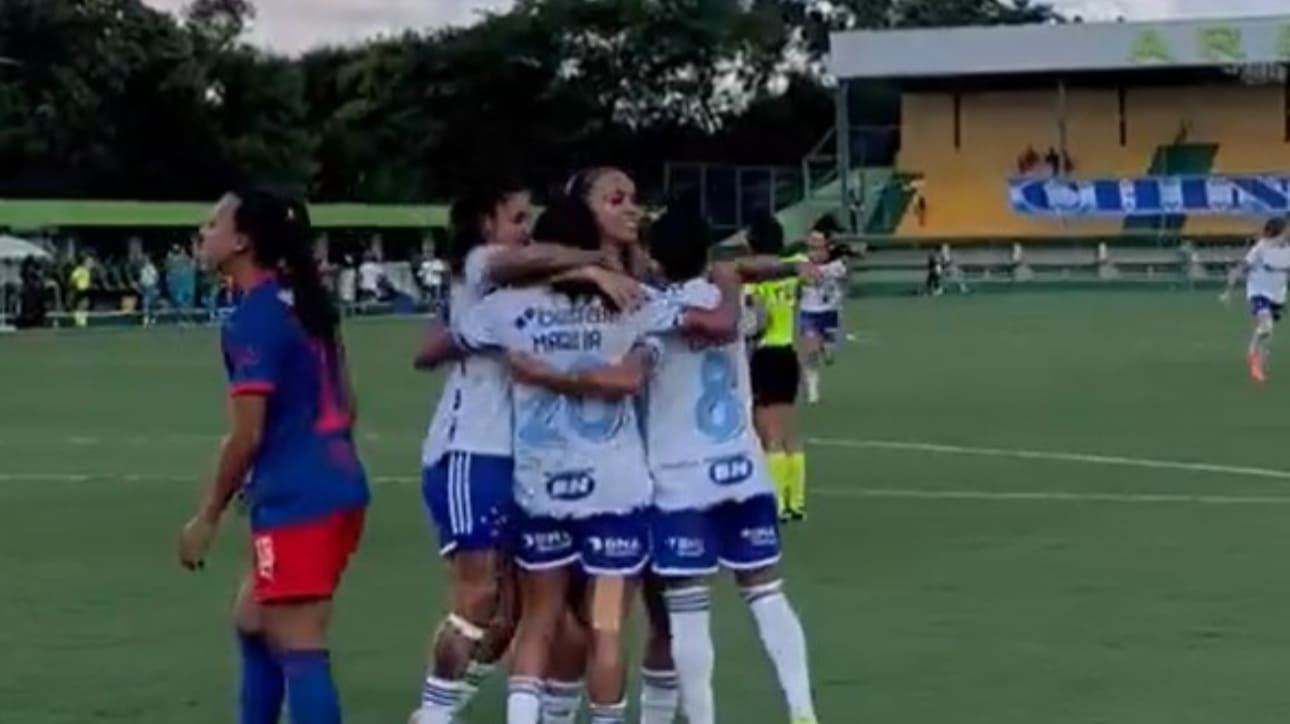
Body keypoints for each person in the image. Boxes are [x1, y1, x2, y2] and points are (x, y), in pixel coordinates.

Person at [410, 181, 638, 724]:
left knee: (521, 614)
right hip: (482, 452)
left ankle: (445, 710)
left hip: (535, 474)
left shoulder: (513, 298)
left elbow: (436, 346)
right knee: (491, 602)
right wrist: (594, 263)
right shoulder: (487, 263)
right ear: (488, 225)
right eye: (517, 218)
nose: (527, 231)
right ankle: (436, 714)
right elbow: (429, 351)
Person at [177, 189, 369, 724]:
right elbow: (347, 406)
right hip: (336, 484)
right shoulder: (305, 303)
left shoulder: (253, 319)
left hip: (300, 499)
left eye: (213, 222)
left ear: (242, 241)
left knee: (297, 639)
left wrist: (206, 517)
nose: (203, 229)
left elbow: (245, 437)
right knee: (253, 619)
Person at [639, 199, 820, 724]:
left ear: (655, 256)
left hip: (679, 476)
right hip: (742, 468)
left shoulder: (649, 309)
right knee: (766, 590)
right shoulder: (730, 296)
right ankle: (802, 709)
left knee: (689, 610)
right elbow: (746, 288)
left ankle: (702, 719)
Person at [744, 214, 809, 522]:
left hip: (766, 354)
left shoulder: (753, 279)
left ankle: (775, 504)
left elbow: (756, 321)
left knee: (767, 432)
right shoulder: (791, 270)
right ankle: (795, 501)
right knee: (789, 432)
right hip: (787, 352)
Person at [1222, 217, 1290, 382]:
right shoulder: (1260, 249)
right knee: (1265, 325)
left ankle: (1257, 359)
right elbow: (1239, 269)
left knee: (1268, 332)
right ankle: (1253, 356)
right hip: (1258, 292)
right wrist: (1228, 291)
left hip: (1278, 294)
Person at [798, 230, 847, 404]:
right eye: (812, 248)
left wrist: (839, 288)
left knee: (829, 357)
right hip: (809, 312)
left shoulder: (837, 266)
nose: (815, 252)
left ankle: (826, 348)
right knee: (810, 351)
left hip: (829, 312)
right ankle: (813, 391)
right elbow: (803, 281)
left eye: (819, 248)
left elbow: (845, 283)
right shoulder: (801, 264)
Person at [138, 255, 160, 327]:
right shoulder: (142, 269)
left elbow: (156, 277)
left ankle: (153, 320)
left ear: (148, 260)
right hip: (145, 287)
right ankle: (146, 320)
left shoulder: (151, 267)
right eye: (143, 259)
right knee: (145, 303)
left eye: (145, 259)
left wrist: (155, 287)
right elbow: (141, 279)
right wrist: (140, 286)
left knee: (151, 305)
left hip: (151, 287)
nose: (143, 261)